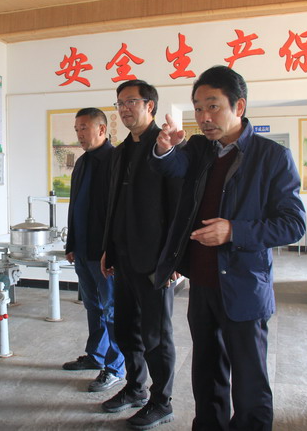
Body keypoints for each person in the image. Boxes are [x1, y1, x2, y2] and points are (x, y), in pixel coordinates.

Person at [150, 65, 306, 431]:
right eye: (198, 108)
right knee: (206, 374)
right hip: (203, 284)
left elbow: (293, 224)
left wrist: (234, 231)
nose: (204, 117)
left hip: (245, 285)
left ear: (239, 106)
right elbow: (172, 168)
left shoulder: (272, 157)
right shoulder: (200, 150)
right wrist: (164, 148)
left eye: (213, 106)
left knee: (250, 382)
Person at [100, 80, 182, 430]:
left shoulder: (165, 147)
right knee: (125, 329)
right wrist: (108, 248)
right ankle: (135, 387)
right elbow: (114, 205)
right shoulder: (120, 152)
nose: (124, 109)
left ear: (150, 105)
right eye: (120, 103)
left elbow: (179, 206)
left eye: (131, 101)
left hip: (154, 260)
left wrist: (175, 258)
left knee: (156, 336)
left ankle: (162, 402)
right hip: (123, 257)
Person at [63, 107, 125, 393]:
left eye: (84, 128)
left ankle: (115, 367)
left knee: (112, 310)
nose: (79, 134)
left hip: (104, 254)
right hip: (83, 250)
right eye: (77, 129)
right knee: (93, 306)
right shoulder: (82, 162)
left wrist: (111, 251)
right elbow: (75, 206)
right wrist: (71, 244)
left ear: (101, 129)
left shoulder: (116, 160)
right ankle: (96, 355)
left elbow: (120, 212)